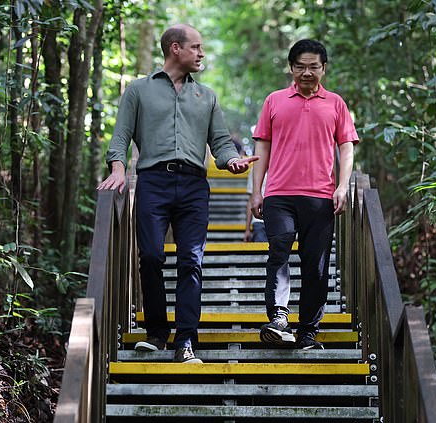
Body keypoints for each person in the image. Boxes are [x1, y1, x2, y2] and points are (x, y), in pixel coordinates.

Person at [97, 24, 257, 363]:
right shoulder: (139, 90)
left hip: (194, 187)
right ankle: (156, 332)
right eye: (196, 47)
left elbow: (221, 143)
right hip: (153, 182)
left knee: (191, 260)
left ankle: (186, 340)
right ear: (175, 48)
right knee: (152, 255)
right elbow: (120, 136)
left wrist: (232, 162)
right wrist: (117, 167)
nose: (201, 54)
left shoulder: (207, 96)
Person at [250, 39, 359, 350]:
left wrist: (343, 185)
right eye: (300, 66)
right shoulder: (274, 100)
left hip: (320, 196)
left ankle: (308, 331)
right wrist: (256, 191)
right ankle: (279, 318)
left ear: (323, 68)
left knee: (316, 264)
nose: (307, 72)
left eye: (313, 66)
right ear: (291, 68)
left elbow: (346, 147)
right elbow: (262, 146)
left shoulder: (336, 103)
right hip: (279, 193)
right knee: (279, 252)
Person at [243, 161, 267, 242]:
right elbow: (251, 200)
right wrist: (247, 229)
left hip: (279, 219)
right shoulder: (255, 170)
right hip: (259, 221)